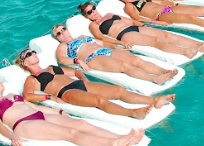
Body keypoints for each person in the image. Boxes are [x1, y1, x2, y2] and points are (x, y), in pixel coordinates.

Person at [0, 77, 144, 146]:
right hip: (24, 124)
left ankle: (122, 137)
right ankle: (112, 144)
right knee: (71, 133)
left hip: (38, 115)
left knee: (82, 124)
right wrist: (12, 136)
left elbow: (35, 107)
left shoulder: (12, 95)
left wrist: (58, 111)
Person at [15, 49, 175, 119]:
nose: (33, 54)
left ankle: (154, 101)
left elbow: (76, 72)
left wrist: (84, 79)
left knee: (119, 90)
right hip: (66, 92)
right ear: (24, 63)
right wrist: (51, 97)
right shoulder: (32, 79)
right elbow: (27, 95)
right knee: (100, 101)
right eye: (29, 54)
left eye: (33, 52)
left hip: (80, 84)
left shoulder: (52, 68)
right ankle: (133, 113)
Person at [79, 2, 204, 58]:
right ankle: (186, 52)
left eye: (94, 8)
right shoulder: (94, 25)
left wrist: (150, 24)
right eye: (90, 12)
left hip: (134, 27)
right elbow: (101, 38)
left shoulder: (109, 14)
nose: (94, 12)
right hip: (124, 35)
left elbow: (131, 21)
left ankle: (199, 45)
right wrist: (119, 44)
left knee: (166, 35)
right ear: (86, 16)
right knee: (155, 41)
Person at [54, 25, 178, 85]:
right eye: (58, 33)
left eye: (63, 29)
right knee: (124, 66)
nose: (62, 33)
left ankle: (164, 71)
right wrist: (78, 61)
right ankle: (155, 79)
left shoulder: (82, 37)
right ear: (57, 38)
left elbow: (102, 42)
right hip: (92, 58)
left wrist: (119, 44)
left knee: (137, 60)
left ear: (67, 29)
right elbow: (62, 59)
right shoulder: (63, 46)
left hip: (104, 50)